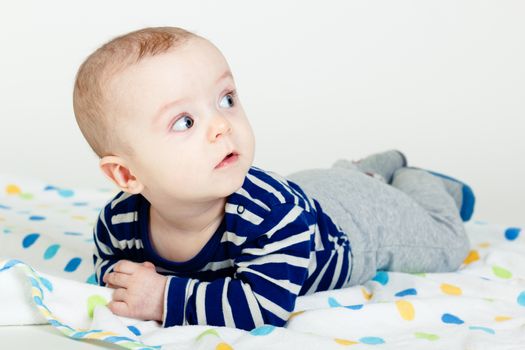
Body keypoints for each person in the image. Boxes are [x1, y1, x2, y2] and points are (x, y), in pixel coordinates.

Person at [72, 26, 474, 331]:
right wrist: (122, 283)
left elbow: (264, 307)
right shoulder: (119, 221)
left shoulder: (273, 214)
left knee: (448, 244)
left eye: (226, 100)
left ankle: (410, 176)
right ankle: (367, 169)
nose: (221, 126)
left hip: (352, 229)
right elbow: (113, 273)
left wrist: (163, 297)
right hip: (312, 189)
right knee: (341, 182)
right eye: (186, 121)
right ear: (126, 174)